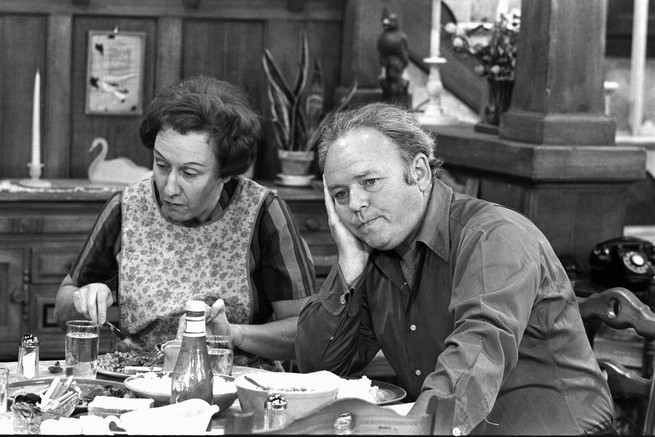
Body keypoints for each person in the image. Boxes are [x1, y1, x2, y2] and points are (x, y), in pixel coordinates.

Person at [295, 103, 615, 434]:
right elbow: (320, 368)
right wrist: (348, 268)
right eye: (340, 194)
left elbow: (476, 354)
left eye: (370, 181)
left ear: (418, 172)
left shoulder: (494, 237)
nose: (355, 205)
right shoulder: (372, 250)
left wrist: (419, 428)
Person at [54, 76, 316, 369]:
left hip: (234, 386)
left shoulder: (263, 212)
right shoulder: (126, 207)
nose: (169, 188)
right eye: (161, 165)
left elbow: (305, 332)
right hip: (138, 385)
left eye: (189, 173)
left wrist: (234, 334)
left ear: (226, 172)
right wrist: (84, 299)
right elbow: (63, 307)